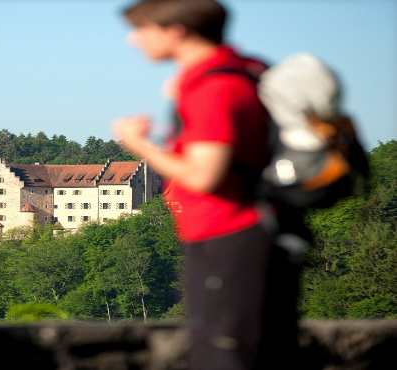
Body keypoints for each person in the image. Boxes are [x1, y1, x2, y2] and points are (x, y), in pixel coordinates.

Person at [111, 1, 302, 369]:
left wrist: (138, 145)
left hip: (230, 237)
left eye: (142, 29)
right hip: (253, 234)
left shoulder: (213, 86)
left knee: (224, 354)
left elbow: (204, 175)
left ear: (176, 30)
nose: (134, 40)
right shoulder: (243, 70)